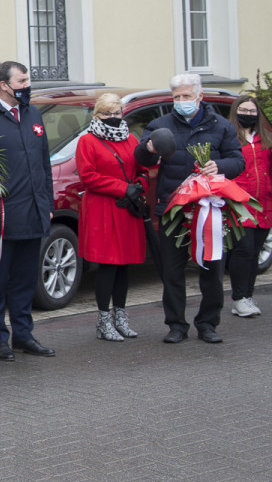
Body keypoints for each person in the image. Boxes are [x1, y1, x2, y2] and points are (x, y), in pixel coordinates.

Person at [136, 74, 245, 343]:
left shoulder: (221, 126)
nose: (181, 101)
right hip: (173, 210)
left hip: (209, 210)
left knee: (211, 272)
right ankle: (176, 325)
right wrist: (149, 149)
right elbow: (141, 157)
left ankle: (208, 324)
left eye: (186, 96)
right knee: (172, 273)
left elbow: (238, 161)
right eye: (176, 97)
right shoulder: (160, 125)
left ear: (199, 96)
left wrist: (220, 167)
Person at [0, 61, 55, 361]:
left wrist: (48, 205)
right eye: (22, 80)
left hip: (32, 213)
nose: (27, 85)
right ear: (4, 85)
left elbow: (44, 163)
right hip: (0, 218)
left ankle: (23, 335)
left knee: (24, 280)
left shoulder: (32, 113)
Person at [75, 93, 146, 341]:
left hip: (127, 208)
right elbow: (88, 176)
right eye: (107, 114)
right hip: (103, 209)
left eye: (117, 113)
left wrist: (138, 186)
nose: (113, 118)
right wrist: (122, 188)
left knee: (124, 265)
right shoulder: (87, 141)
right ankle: (103, 321)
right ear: (97, 115)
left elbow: (142, 169)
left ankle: (121, 317)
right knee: (108, 265)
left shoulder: (131, 138)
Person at [227, 95, 272, 318]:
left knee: (254, 252)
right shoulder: (230, 138)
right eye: (244, 110)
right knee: (242, 250)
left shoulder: (266, 140)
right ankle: (239, 298)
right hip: (239, 203)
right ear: (236, 112)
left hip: (264, 204)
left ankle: (248, 295)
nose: (248, 114)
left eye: (252, 111)